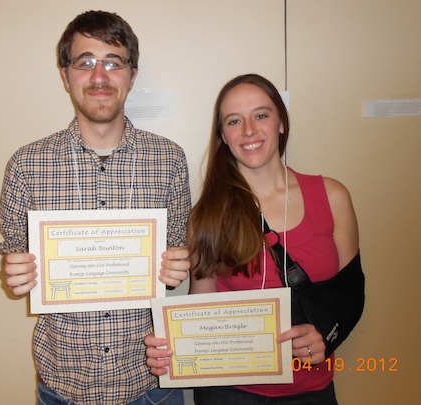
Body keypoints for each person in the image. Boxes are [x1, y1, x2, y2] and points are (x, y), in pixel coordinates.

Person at [0, 10, 191, 405]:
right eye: (85, 62)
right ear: (65, 75)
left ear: (132, 76)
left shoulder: (169, 160)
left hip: (149, 384)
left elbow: (177, 257)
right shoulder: (26, 165)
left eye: (113, 62)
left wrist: (177, 268)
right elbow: (17, 257)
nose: (99, 76)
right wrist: (16, 273)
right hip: (63, 385)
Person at [145, 74, 361, 404]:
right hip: (229, 392)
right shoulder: (207, 215)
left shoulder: (332, 196)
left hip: (312, 391)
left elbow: (351, 295)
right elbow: (202, 310)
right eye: (234, 121)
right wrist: (171, 348)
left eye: (261, 115)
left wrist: (326, 338)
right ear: (223, 135)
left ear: (281, 123)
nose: (248, 130)